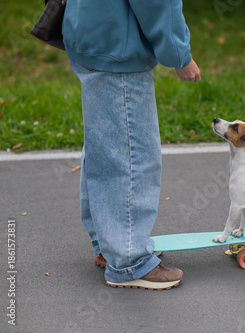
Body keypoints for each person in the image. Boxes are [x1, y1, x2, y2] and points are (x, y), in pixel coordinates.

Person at [62, 0, 201, 290]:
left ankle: (109, 244)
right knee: (130, 156)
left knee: (106, 149)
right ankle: (129, 260)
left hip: (89, 32)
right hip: (117, 44)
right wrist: (179, 54)